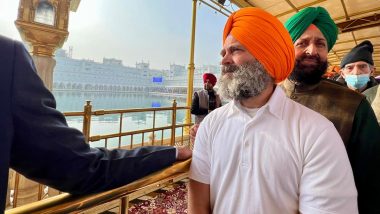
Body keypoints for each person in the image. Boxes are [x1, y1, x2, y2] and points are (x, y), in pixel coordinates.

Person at [188, 7, 357, 214]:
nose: (224, 60)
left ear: (266, 58)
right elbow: (198, 200)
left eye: (235, 50)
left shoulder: (317, 132)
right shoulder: (211, 124)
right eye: (223, 52)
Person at [0, 35, 192, 212]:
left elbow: (80, 166)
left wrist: (170, 153)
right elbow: (80, 166)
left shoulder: (7, 56)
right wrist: (170, 153)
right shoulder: (7, 56)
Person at [283, 7, 380, 213]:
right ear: (287, 48)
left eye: (320, 43)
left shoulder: (354, 105)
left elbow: (371, 185)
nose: (312, 51)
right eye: (302, 43)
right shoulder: (265, 96)